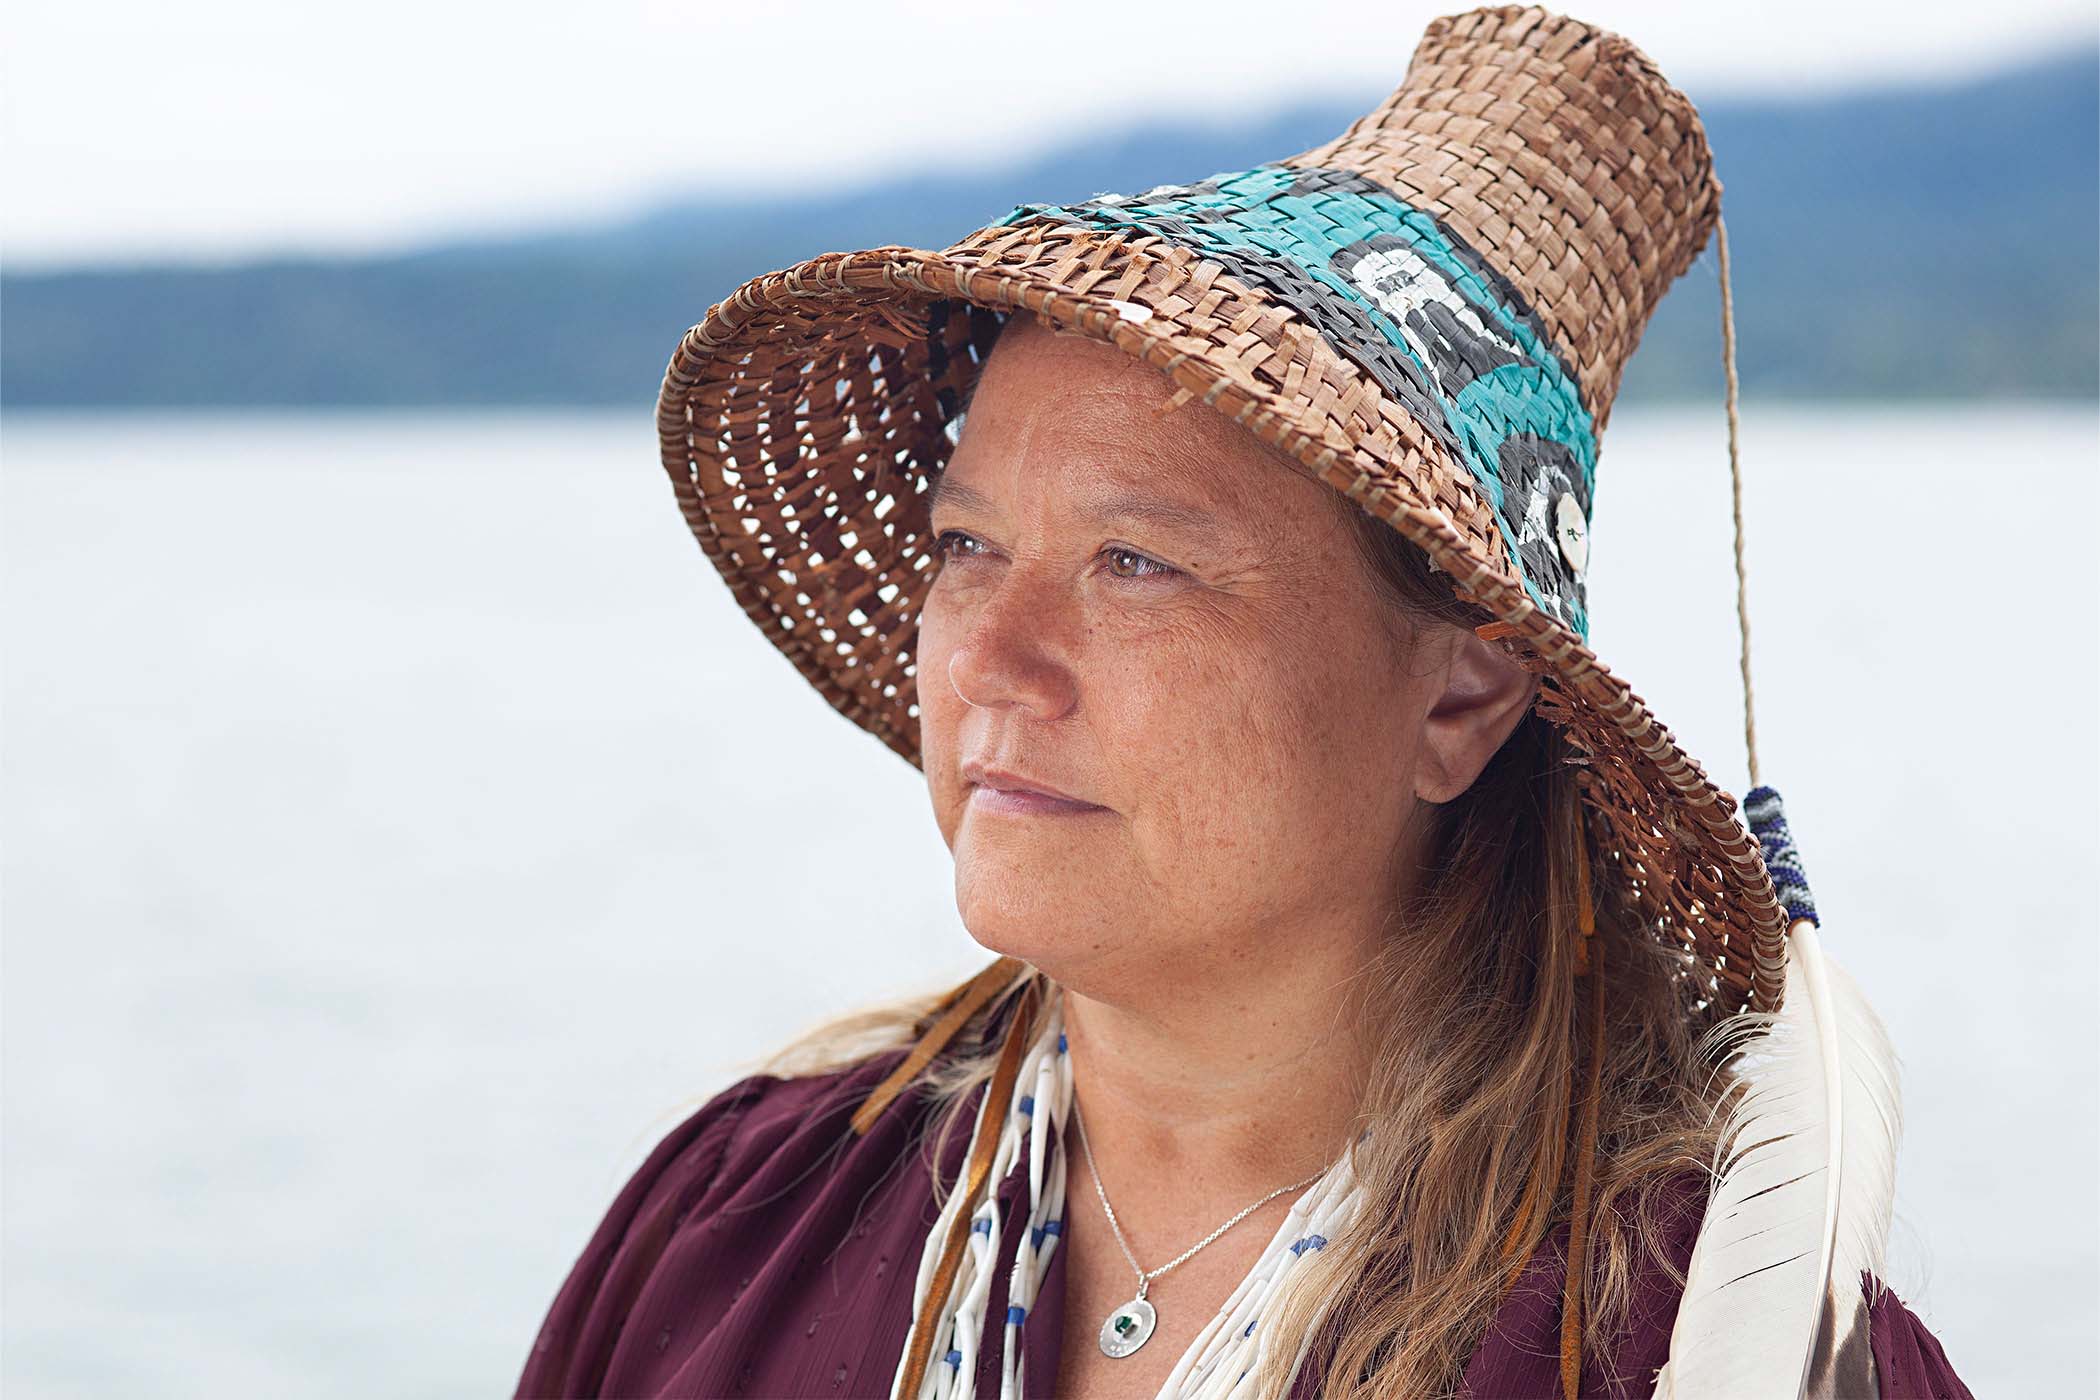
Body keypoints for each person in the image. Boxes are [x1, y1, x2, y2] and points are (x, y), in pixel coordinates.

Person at [516, 7, 1973, 1397]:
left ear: (1462, 691)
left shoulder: (1715, 1345)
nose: (991, 660)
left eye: (1135, 563)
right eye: (970, 546)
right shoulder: (737, 1233)